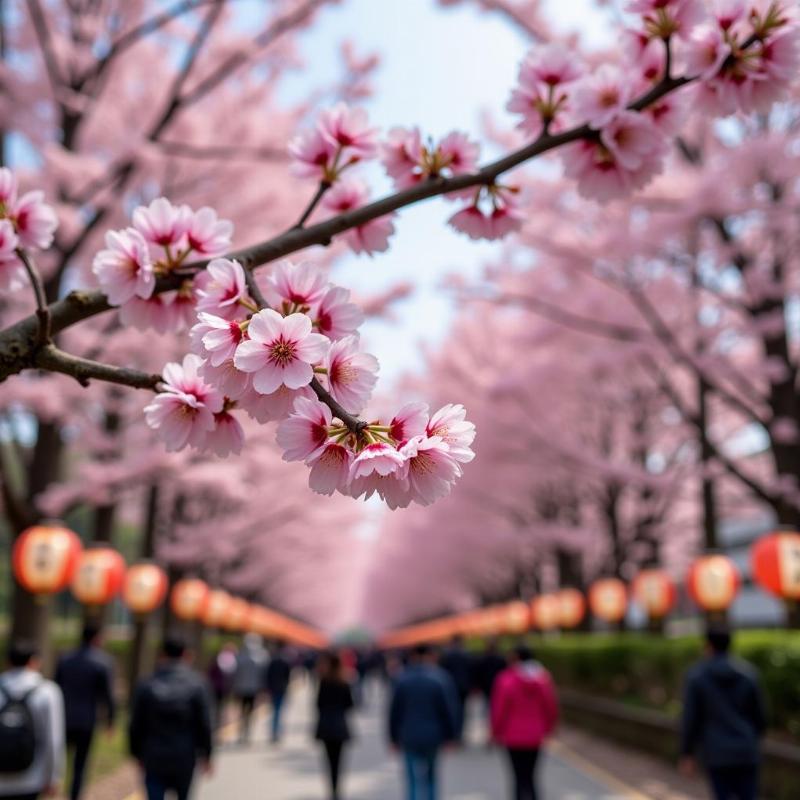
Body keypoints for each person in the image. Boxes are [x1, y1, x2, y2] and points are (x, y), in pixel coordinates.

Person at [680, 626, 766, 800]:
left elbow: (691, 718)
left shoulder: (698, 676)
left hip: (716, 752)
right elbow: (760, 717)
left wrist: (687, 753)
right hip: (746, 749)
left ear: (708, 646)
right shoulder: (748, 673)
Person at [128, 638, 213, 800]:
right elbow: (204, 723)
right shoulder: (197, 684)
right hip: (185, 755)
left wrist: (136, 753)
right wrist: (207, 754)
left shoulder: (146, 684)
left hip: (153, 755)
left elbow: (135, 723)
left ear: (161, 655)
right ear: (186, 655)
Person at [389, 644, 459, 800]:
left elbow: (395, 711)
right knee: (432, 776)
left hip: (408, 734)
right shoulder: (441, 678)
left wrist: (393, 738)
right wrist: (451, 735)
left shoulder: (402, 679)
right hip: (434, 734)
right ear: (431, 656)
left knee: (412, 779)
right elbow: (448, 710)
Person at [54, 625, 116, 800]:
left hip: (64, 716)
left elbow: (56, 686)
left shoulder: (65, 659)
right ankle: (74, 795)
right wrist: (110, 720)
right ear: (97, 638)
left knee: (59, 759)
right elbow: (108, 695)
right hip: (87, 719)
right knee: (81, 763)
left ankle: (54, 790)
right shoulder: (103, 662)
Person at [491, 644, 558, 800]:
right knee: (531, 776)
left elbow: (499, 709)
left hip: (512, 735)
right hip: (536, 734)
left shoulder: (506, 679)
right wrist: (549, 728)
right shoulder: (543, 678)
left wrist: (495, 731)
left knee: (518, 777)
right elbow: (550, 707)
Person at [0, 641, 65, 800]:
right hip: (32, 777)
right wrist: (53, 777)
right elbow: (54, 739)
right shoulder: (48, 691)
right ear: (34, 661)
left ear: (8, 662)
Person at [315, 652, 354, 800]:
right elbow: (350, 705)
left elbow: (318, 704)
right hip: (340, 726)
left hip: (325, 727)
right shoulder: (344, 682)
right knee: (339, 761)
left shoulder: (324, 681)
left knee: (328, 761)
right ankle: (337, 790)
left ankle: (331, 789)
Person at [232, 634, 267, 745]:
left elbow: (235, 673)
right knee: (250, 712)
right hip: (253, 689)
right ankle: (247, 733)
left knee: (242, 712)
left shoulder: (240, 655)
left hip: (242, 688)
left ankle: (242, 733)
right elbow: (263, 674)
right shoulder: (261, 656)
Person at [438, 636, 472, 741]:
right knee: (462, 710)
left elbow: (442, 671)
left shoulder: (447, 655)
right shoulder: (466, 654)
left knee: (450, 709)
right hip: (464, 686)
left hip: (450, 686)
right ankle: (459, 733)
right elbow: (471, 670)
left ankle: (451, 732)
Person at [264, 642, 291, 744]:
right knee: (279, 711)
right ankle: (277, 732)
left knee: (275, 711)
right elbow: (288, 676)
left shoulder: (272, 662)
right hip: (281, 689)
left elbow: (268, 676)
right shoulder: (285, 662)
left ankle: (274, 732)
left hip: (274, 689)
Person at [473, 639, 507, 721]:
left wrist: (477, 685)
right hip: (497, 685)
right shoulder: (501, 658)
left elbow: (478, 673)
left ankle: (491, 720)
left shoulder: (482, 658)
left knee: (487, 705)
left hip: (486, 685)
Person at [206, 643, 237, 729]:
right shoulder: (230, 659)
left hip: (216, 686)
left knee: (217, 706)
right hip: (222, 687)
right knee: (220, 706)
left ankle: (217, 722)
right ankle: (218, 722)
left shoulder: (218, 658)